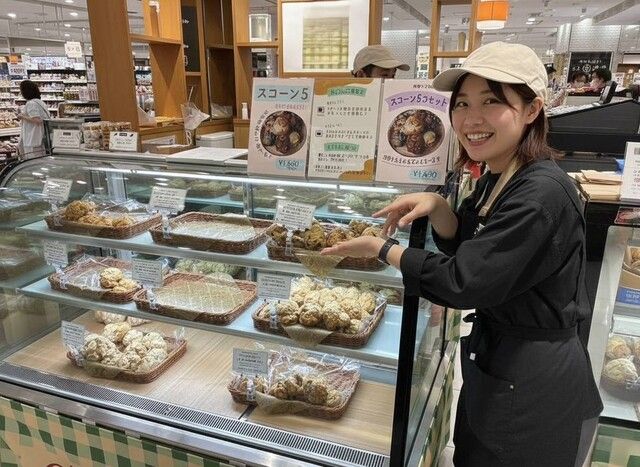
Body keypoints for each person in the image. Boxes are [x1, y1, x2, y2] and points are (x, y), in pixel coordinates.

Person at [322, 41, 603, 466]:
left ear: (532, 109)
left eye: (491, 102)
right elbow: (473, 245)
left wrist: (383, 249)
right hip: (502, 363)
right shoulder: (501, 173)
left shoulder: (541, 194)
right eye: (462, 103)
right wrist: (438, 207)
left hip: (534, 385)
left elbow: (464, 281)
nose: (471, 119)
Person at [17, 79, 50, 159]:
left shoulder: (31, 103)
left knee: (33, 162)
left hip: (32, 139)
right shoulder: (40, 102)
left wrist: (22, 116)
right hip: (41, 138)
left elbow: (37, 120)